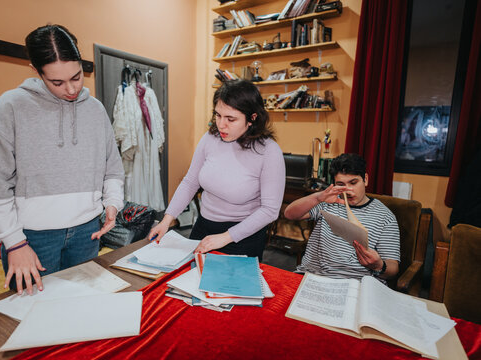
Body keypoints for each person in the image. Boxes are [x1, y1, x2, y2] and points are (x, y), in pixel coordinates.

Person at [0, 25, 124, 295]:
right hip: (32, 238)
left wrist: (112, 203)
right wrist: (14, 243)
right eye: (57, 82)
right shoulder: (10, 107)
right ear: (35, 70)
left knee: (84, 308)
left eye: (76, 76)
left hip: (87, 232)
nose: (71, 88)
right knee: (34, 320)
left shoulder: (95, 110)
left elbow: (112, 167)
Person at [148, 80, 285, 260]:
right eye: (218, 115)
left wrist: (226, 237)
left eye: (231, 119)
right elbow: (190, 182)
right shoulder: (210, 138)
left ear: (252, 118)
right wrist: (167, 220)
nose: (221, 125)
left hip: (243, 236)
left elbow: (269, 210)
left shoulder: (269, 151)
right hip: (203, 228)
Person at [284, 153, 400, 283]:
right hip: (313, 276)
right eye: (341, 184)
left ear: (365, 179)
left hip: (356, 283)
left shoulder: (385, 216)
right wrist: (317, 198)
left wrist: (378, 265)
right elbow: (289, 214)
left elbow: (393, 267)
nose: (348, 190)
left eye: (353, 183)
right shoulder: (329, 201)